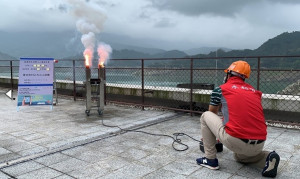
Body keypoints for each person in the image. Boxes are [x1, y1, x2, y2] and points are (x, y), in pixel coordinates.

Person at [196, 60, 280, 178]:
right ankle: (267, 157)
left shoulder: (220, 89)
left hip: (235, 140)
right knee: (239, 157)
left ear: (229, 74)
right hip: (260, 142)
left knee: (206, 116)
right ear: (244, 77)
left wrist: (213, 136)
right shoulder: (254, 92)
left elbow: (212, 114)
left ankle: (210, 159)